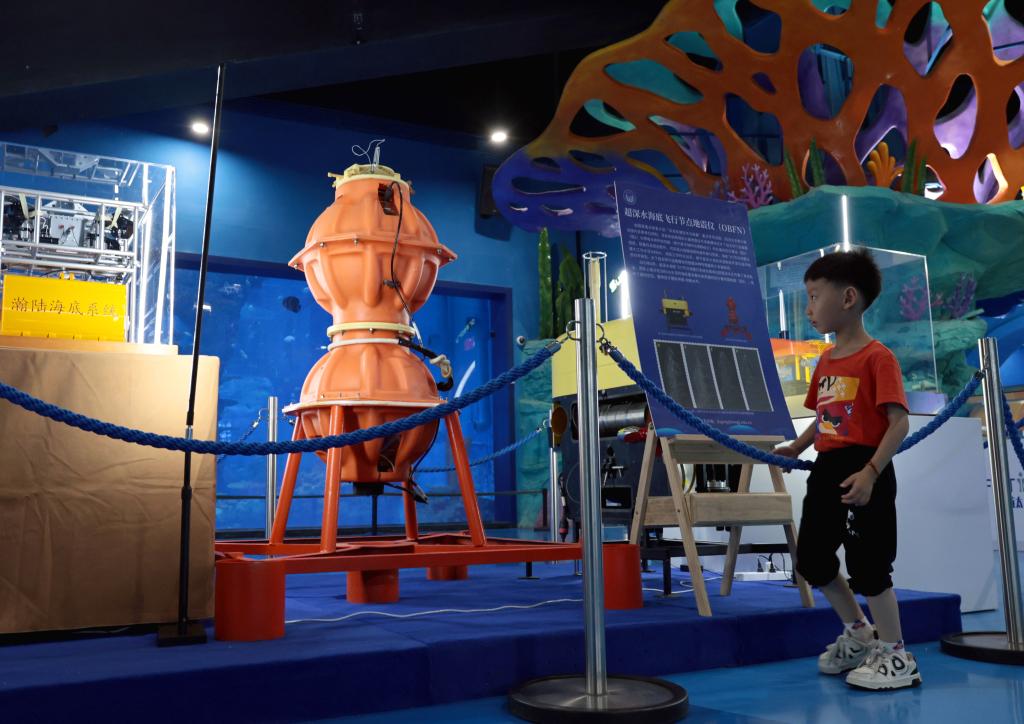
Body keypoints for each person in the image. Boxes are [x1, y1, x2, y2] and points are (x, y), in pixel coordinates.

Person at [774, 248, 920, 690]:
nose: (809, 308)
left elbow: (898, 422)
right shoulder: (825, 361)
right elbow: (825, 418)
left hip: (866, 469)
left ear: (849, 298)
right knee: (813, 559)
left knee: (869, 565)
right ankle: (859, 632)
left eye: (814, 296)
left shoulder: (878, 358)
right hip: (827, 468)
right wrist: (796, 447)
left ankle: (896, 654)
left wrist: (872, 472)